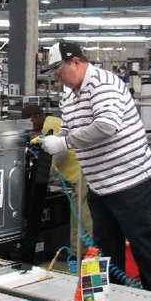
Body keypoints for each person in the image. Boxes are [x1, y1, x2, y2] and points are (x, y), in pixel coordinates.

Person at [40, 41, 151, 295]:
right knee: (106, 246)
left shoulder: (103, 84)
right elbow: (69, 128)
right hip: (100, 184)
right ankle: (113, 298)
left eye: (58, 69)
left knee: (141, 242)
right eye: (53, 72)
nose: (57, 77)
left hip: (131, 180)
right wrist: (57, 145)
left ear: (76, 62)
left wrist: (65, 141)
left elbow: (106, 126)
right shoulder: (69, 93)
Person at [22, 102, 93, 260]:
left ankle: (88, 255)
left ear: (36, 117)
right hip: (77, 177)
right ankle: (77, 253)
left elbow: (58, 154)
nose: (31, 128)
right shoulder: (53, 122)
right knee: (77, 218)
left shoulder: (50, 125)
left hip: (81, 175)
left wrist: (45, 176)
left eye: (30, 122)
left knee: (83, 219)